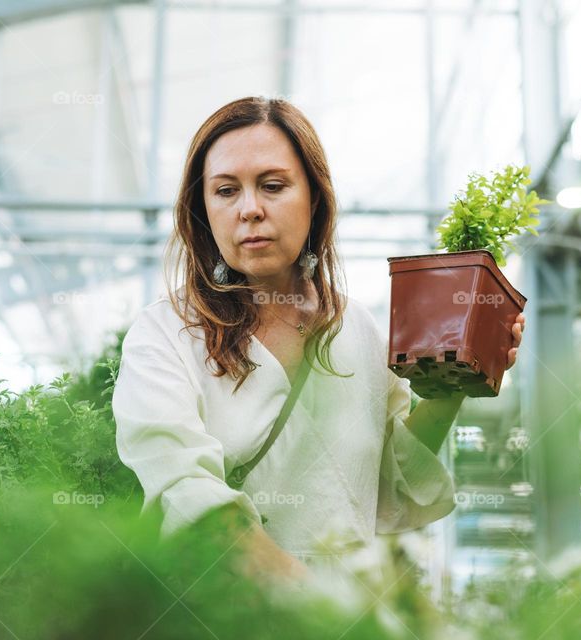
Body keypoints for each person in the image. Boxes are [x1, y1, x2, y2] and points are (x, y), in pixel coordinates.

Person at [112, 96, 525, 585]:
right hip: (218, 608)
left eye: (272, 186)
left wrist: (452, 379)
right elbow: (185, 488)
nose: (250, 210)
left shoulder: (357, 328)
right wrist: (312, 601)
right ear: (202, 209)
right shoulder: (167, 334)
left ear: (315, 197)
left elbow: (387, 491)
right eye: (226, 190)